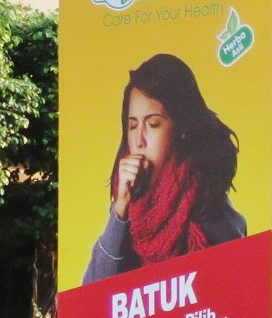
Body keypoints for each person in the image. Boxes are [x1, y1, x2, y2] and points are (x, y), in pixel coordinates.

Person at [84, 54, 248, 282]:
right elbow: (92, 296)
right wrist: (119, 209)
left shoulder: (209, 208)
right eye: (132, 126)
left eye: (153, 124)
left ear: (182, 128)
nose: (139, 140)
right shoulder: (129, 201)